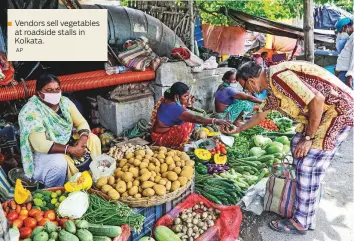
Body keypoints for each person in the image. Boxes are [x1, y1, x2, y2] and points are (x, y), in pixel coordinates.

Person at [222, 61, 354, 235]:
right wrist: (238, 128)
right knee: (296, 147)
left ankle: (301, 222)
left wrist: (308, 138)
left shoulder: (278, 77)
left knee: (309, 164)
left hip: (337, 113)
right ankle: (304, 207)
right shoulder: (271, 87)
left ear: (251, 80)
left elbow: (317, 100)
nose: (247, 91)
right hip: (321, 114)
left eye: (244, 86)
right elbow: (261, 115)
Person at [19, 74, 102, 188]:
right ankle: (56, 188)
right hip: (44, 153)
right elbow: (40, 145)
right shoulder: (31, 111)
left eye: (57, 90)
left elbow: (81, 122)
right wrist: (71, 150)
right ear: (39, 93)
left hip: (66, 141)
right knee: (59, 164)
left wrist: (83, 140)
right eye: (49, 90)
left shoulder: (64, 102)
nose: (54, 93)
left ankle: (94, 176)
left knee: (93, 139)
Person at [151, 82, 230, 149]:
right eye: (185, 96)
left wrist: (186, 103)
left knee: (187, 119)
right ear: (176, 96)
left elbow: (178, 110)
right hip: (161, 139)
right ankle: (176, 145)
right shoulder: (175, 108)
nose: (188, 98)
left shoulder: (166, 98)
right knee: (188, 123)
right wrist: (215, 120)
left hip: (155, 133)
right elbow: (195, 118)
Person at [335, 17, 353, 89]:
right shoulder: (349, 38)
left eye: (341, 32)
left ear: (346, 27)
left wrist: (350, 75)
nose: (341, 34)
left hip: (347, 75)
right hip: (343, 73)